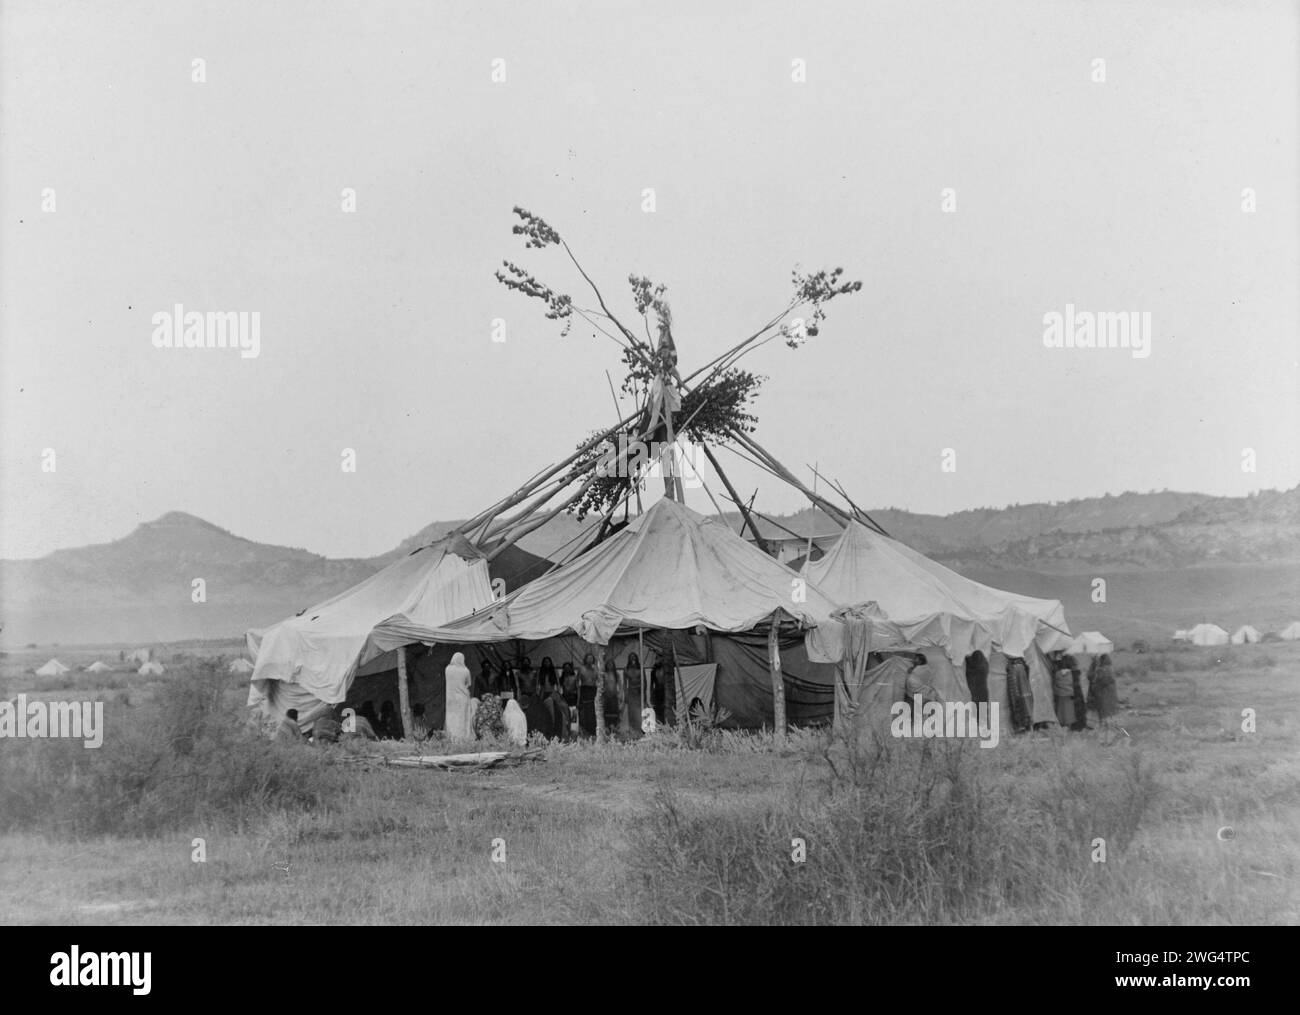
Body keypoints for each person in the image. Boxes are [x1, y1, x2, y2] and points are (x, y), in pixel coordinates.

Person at [445, 651, 473, 741]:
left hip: (451, 698)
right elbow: (469, 684)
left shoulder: (448, 669)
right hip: (462, 698)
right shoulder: (466, 670)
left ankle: (452, 738)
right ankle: (462, 739)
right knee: (462, 719)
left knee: (452, 718)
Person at [1088, 653, 1120, 726]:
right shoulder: (1110, 668)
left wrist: (1095, 685)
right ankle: (1110, 723)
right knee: (1110, 709)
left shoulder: (1101, 670)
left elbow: (1098, 680)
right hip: (1110, 692)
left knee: (1103, 708)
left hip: (1103, 692)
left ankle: (1104, 723)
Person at [1005, 656, 1033, 733]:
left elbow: (1012, 683)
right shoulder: (1022, 667)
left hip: (1017, 693)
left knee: (1017, 706)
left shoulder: (1012, 668)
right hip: (1024, 692)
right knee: (1025, 707)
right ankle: (1026, 725)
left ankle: (1021, 725)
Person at [623, 652, 644, 738]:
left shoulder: (640, 669)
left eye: (634, 657)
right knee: (631, 712)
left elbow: (644, 682)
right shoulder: (626, 669)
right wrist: (626, 694)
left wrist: (644, 694)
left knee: (639, 711)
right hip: (631, 691)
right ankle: (633, 730)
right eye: (631, 657)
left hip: (639, 692)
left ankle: (640, 730)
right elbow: (625, 684)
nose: (632, 658)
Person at [577, 653, 599, 737]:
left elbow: (599, 680)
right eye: (588, 658)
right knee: (585, 710)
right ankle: (584, 730)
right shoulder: (581, 669)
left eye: (591, 658)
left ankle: (593, 731)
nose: (590, 660)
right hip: (584, 689)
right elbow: (577, 681)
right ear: (585, 659)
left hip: (593, 689)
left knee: (593, 710)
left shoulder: (595, 669)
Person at [965, 649, 990, 723]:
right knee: (981, 691)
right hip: (980, 659)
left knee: (974, 691)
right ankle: (981, 717)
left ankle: (977, 717)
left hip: (971, 659)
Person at [1052, 655, 1076, 729]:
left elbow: (1055, 683)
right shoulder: (1072, 673)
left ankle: (1061, 723)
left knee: (1061, 710)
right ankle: (1069, 724)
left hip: (1060, 694)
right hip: (1069, 694)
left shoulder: (1057, 673)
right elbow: (1073, 684)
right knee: (1069, 710)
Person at [602, 656, 622, 734]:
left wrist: (620, 694)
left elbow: (620, 685)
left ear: (613, 665)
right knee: (606, 711)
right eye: (608, 664)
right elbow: (600, 685)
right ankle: (607, 727)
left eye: (611, 664)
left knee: (615, 711)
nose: (610, 665)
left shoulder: (616, 674)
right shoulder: (604, 674)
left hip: (614, 695)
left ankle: (614, 727)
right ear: (606, 665)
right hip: (606, 696)